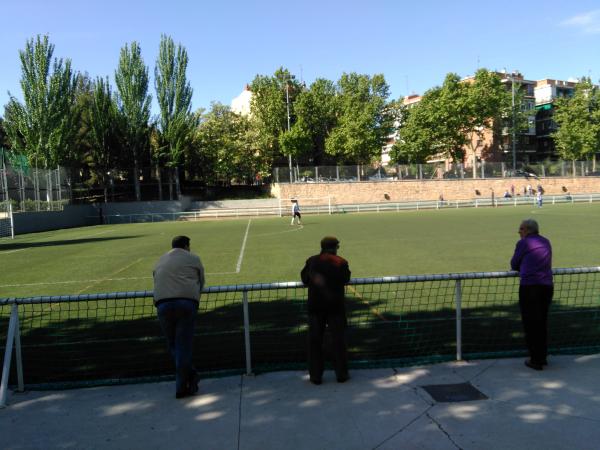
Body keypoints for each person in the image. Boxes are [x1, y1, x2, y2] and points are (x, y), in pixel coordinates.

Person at [153, 235, 206, 398]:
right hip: (186, 304)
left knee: (174, 345)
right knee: (183, 345)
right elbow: (201, 282)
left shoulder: (161, 259)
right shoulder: (193, 258)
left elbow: (155, 279)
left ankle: (187, 379)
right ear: (186, 246)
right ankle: (183, 385)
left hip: (162, 304)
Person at [301, 236, 351, 385]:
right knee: (338, 340)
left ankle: (316, 376)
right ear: (335, 247)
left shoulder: (312, 261)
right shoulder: (341, 262)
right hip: (336, 308)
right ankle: (341, 374)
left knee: (315, 341)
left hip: (316, 307)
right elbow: (346, 279)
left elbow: (304, 279)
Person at [510, 219, 553, 371]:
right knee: (541, 322)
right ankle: (542, 356)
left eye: (521, 229)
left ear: (527, 230)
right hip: (547, 286)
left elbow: (514, 264)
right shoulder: (546, 241)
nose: (519, 232)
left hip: (530, 287)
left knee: (530, 323)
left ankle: (536, 360)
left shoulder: (524, 243)